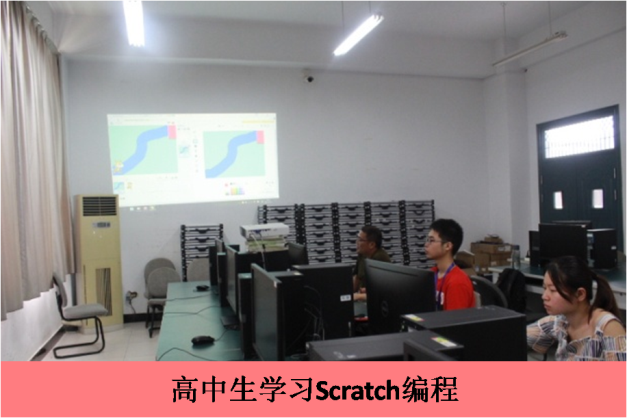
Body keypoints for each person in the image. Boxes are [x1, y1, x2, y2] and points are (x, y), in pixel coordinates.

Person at [527, 256, 627, 361]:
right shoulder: (560, 322)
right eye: (544, 288)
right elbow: (519, 336)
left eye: (553, 290)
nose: (544, 296)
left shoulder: (607, 327)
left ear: (580, 294)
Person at [425, 218, 475, 311]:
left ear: (447, 246)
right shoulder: (432, 274)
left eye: (431, 240)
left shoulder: (457, 283)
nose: (426, 244)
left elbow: (455, 319)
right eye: (427, 240)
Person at [353, 225, 391, 301]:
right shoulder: (362, 254)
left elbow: (383, 293)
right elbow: (357, 277)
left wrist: (358, 296)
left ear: (372, 245)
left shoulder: (380, 258)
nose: (357, 242)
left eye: (360, 240)